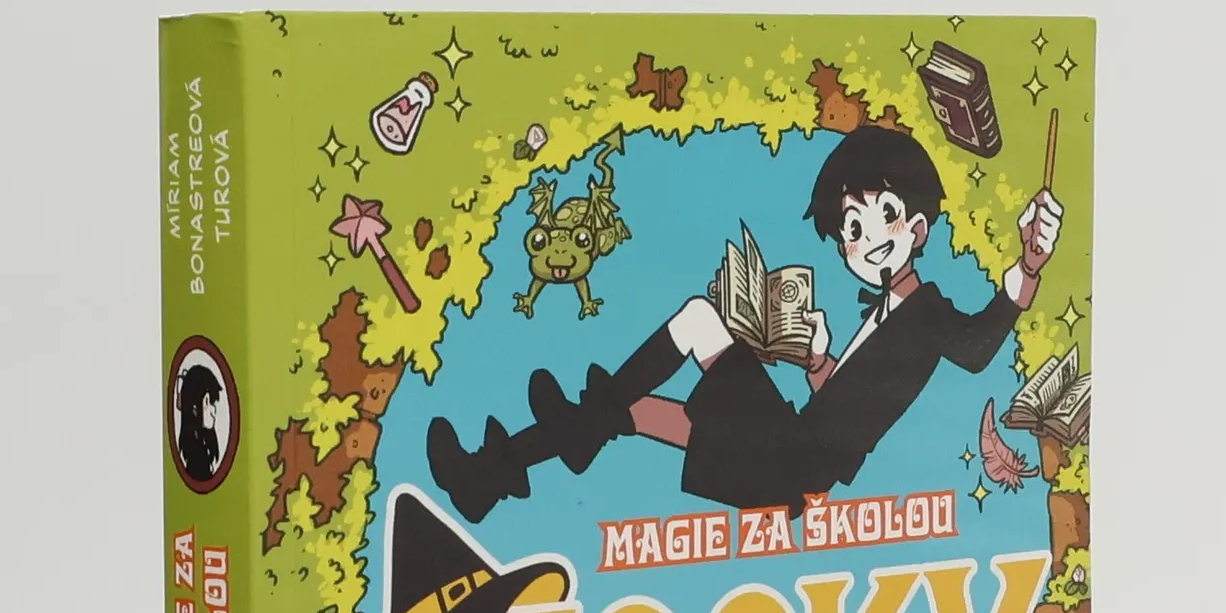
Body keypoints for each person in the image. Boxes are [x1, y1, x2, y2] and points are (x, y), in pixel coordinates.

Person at [428, 125, 1063, 522]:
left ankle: (585, 416)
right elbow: (854, 409)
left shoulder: (926, 314)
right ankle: (486, 476)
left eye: (884, 217)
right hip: (787, 457)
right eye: (852, 227)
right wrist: (817, 360)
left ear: (917, 228)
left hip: (793, 462)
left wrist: (1029, 267)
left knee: (700, 320)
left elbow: (977, 348)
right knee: (637, 414)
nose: (865, 239)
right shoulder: (886, 312)